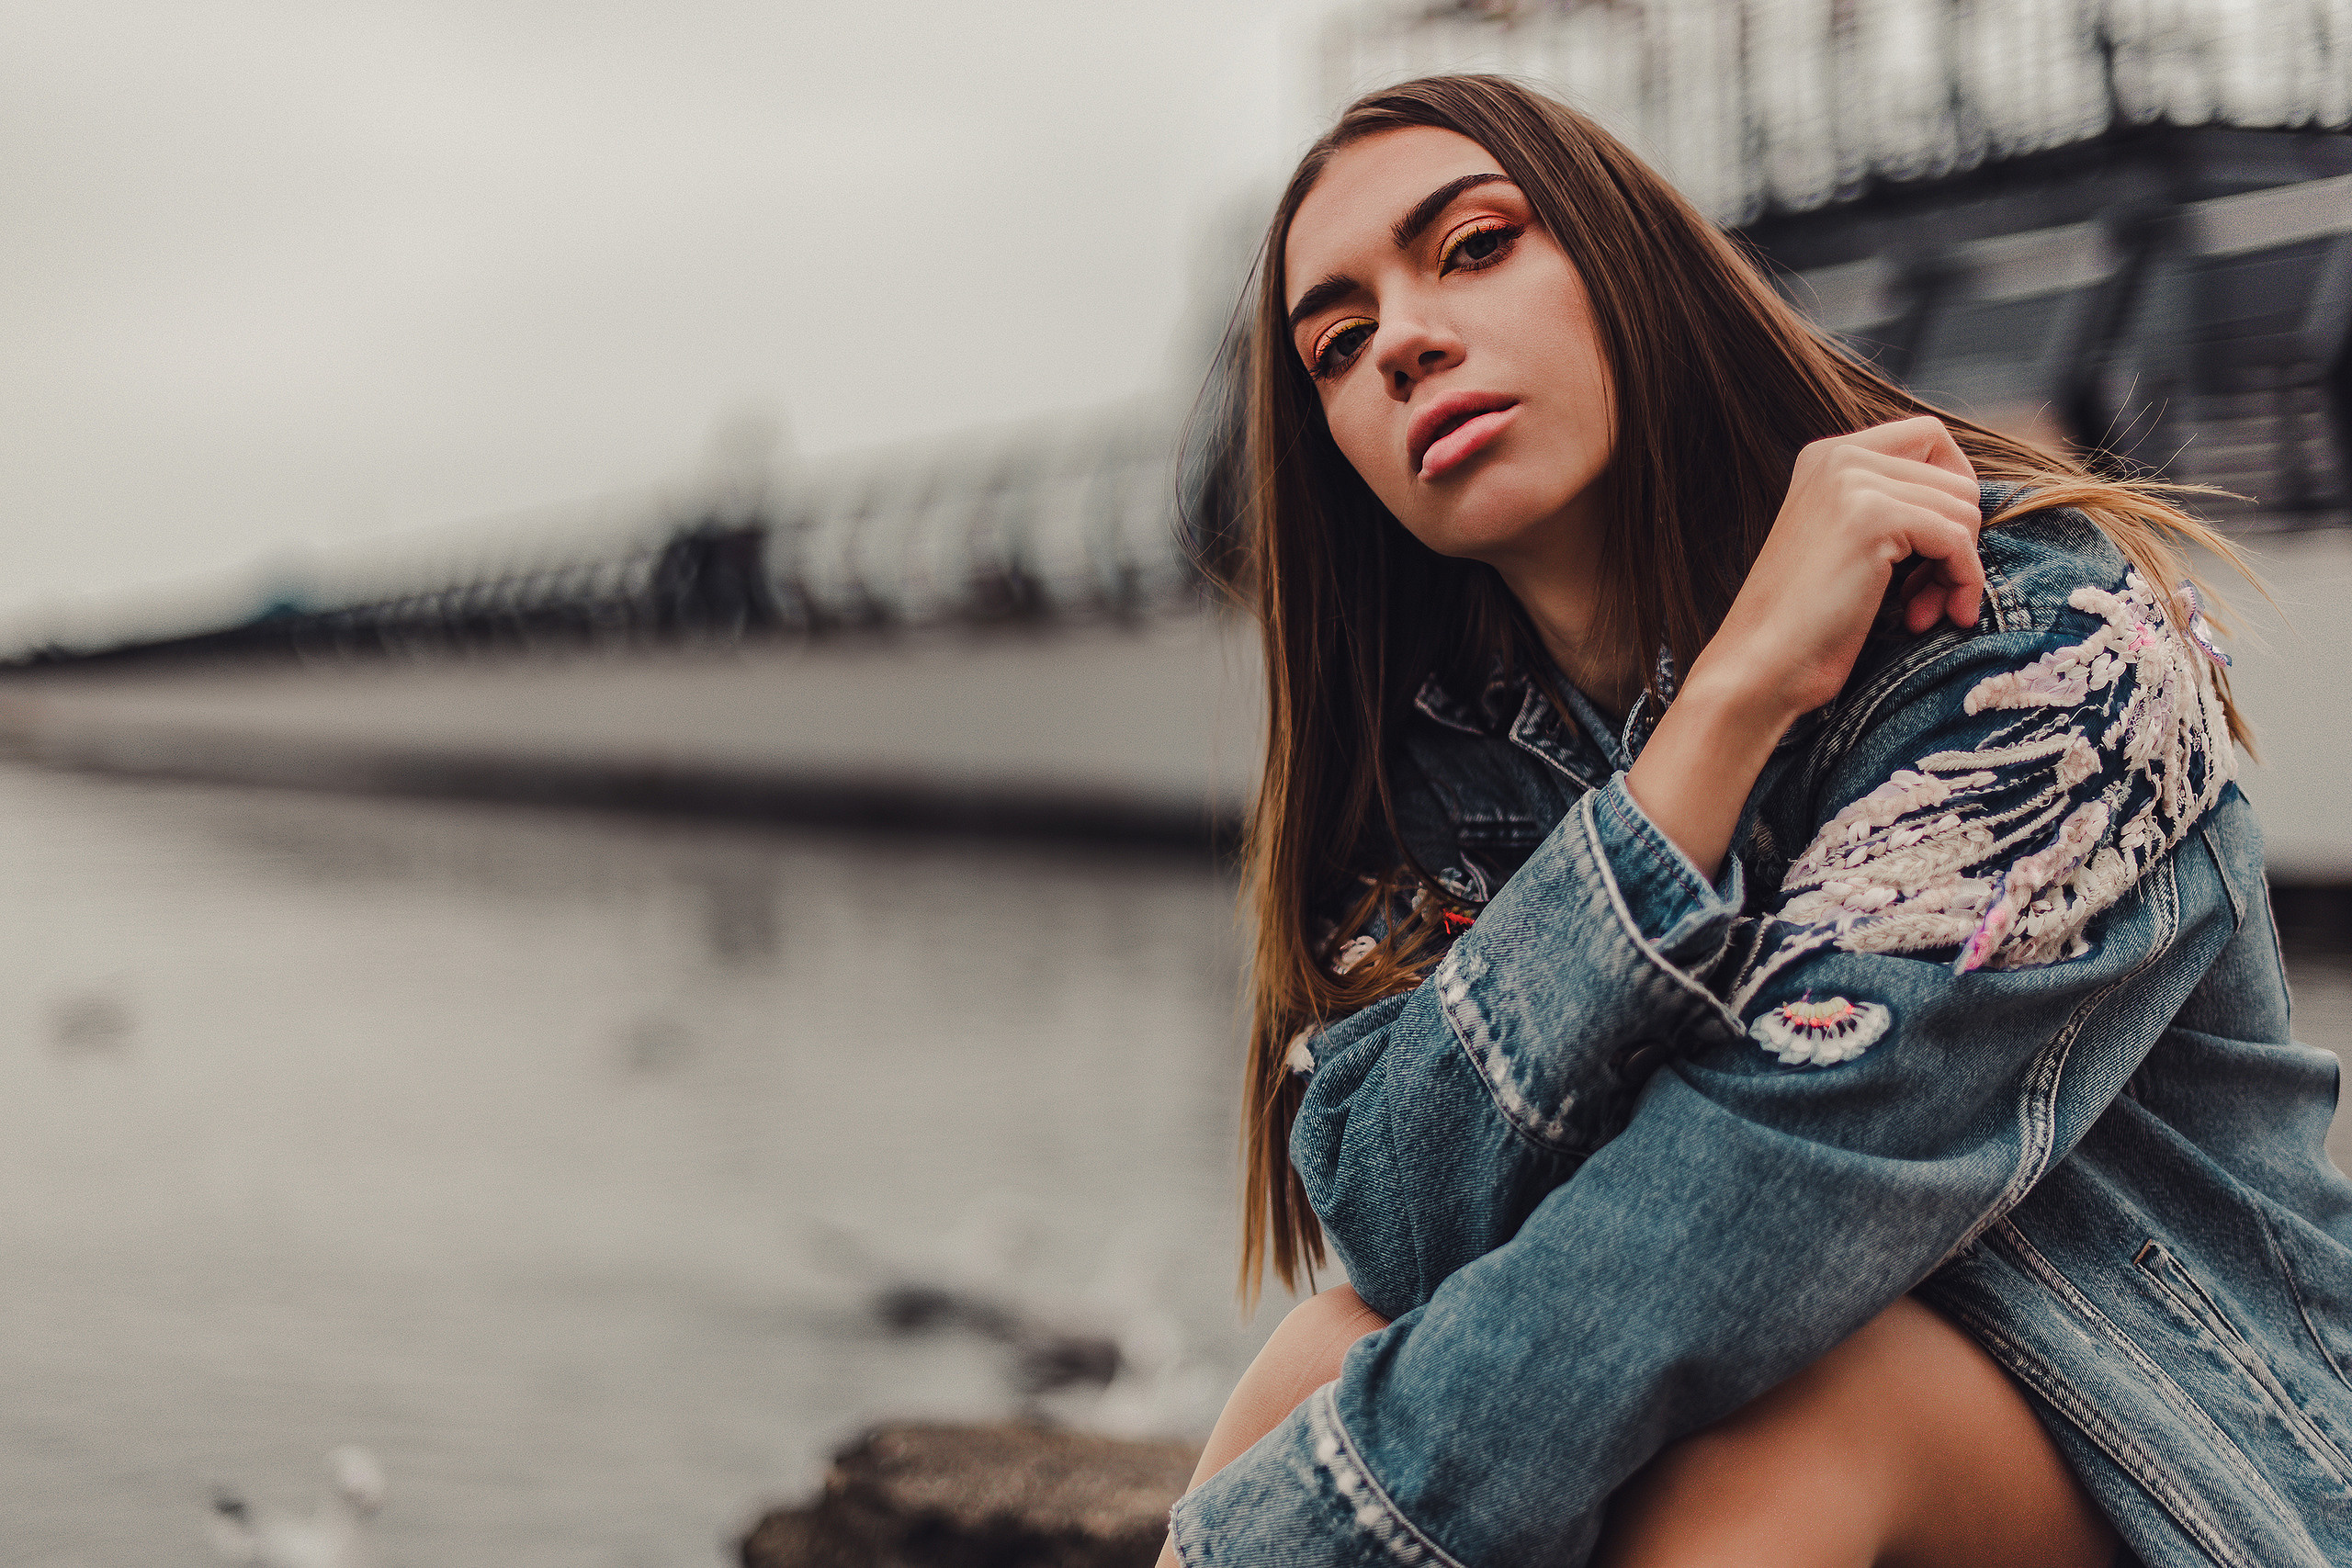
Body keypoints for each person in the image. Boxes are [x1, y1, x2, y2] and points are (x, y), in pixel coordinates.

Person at [1159, 76, 2352, 1568]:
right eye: (1337, 344)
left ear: (1626, 262)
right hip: (1822, 1395)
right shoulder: (1435, 771)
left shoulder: (2027, 626)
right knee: (1314, 1356)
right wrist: (1715, 724)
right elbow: (1409, 1226)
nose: (1401, 340)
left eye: (1471, 247)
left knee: (1785, 1437)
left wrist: (1274, 1545)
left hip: (2192, 1454)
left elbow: (1767, 1189)